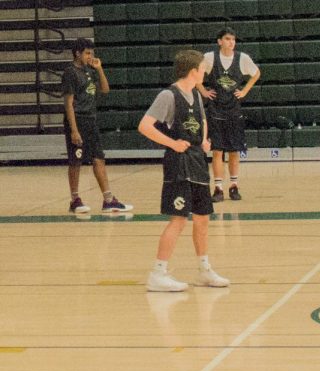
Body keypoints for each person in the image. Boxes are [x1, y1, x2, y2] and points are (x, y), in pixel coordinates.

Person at [138, 49, 230, 292]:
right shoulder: (168, 95)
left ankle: (204, 270)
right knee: (178, 220)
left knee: (202, 219)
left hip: (198, 161)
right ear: (193, 71)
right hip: (178, 164)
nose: (204, 73)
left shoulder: (196, 95)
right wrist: (172, 143)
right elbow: (144, 126)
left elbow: (203, 121)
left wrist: (205, 140)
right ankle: (158, 274)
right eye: (202, 69)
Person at [61, 37, 132, 214]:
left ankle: (108, 200)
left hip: (91, 120)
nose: (90, 56)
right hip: (77, 120)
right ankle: (75, 199)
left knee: (99, 158)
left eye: (91, 53)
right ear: (77, 53)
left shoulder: (89, 70)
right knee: (76, 161)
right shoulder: (70, 72)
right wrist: (74, 130)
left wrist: (99, 68)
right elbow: (68, 103)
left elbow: (105, 89)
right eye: (87, 53)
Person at [198, 27, 261, 202]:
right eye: (227, 39)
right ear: (219, 41)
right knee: (217, 151)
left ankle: (234, 186)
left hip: (234, 110)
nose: (231, 42)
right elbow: (197, 76)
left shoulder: (243, 58)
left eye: (233, 39)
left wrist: (245, 90)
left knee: (234, 151)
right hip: (216, 110)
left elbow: (256, 74)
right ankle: (218, 188)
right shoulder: (210, 57)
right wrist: (203, 90)